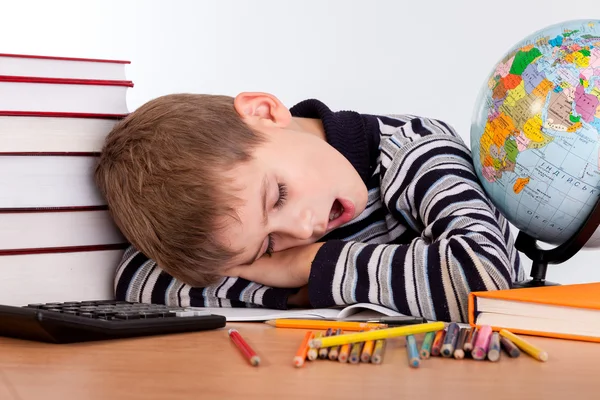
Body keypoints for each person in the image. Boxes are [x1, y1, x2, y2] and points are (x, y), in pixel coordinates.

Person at [95, 92, 525, 323]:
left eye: (278, 195)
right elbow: (136, 280)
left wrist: (311, 266)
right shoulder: (258, 219)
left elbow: (483, 280)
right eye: (267, 246)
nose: (301, 231)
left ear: (264, 113)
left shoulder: (416, 149)